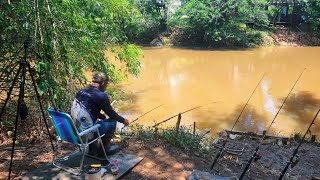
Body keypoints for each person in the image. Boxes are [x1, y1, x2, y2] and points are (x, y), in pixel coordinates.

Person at [71, 72, 129, 156]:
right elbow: (111, 114)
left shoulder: (81, 91)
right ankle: (104, 150)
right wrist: (124, 120)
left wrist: (101, 116)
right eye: (106, 84)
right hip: (85, 135)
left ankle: (93, 149)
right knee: (112, 122)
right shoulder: (101, 95)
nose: (106, 86)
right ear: (102, 84)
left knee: (90, 121)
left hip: (74, 132)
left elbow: (86, 110)